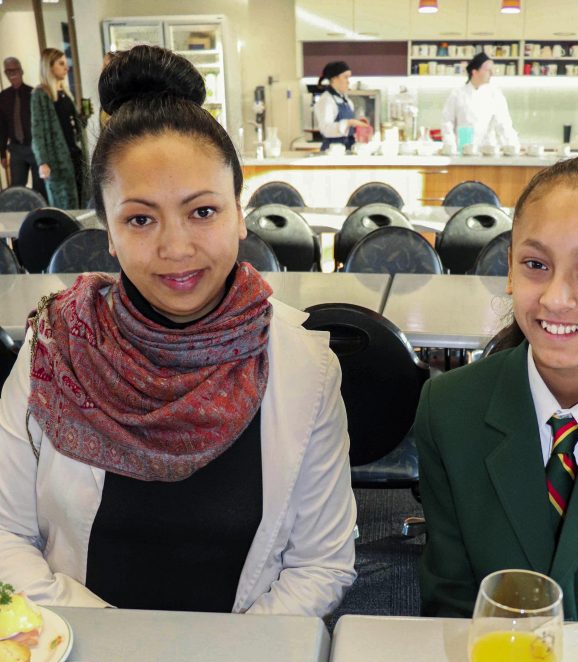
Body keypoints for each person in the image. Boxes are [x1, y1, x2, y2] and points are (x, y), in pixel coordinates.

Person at [0, 44, 356, 616]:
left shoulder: (304, 368)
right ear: (109, 234)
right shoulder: (54, 348)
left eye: (203, 212)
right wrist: (117, 646)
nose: (175, 247)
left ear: (240, 215)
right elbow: (5, 535)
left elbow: (320, 564)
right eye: (140, 219)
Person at [416, 155, 578, 623]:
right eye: (536, 264)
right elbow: (452, 600)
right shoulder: (450, 408)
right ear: (511, 270)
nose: (556, 299)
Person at [30, 47, 90, 208]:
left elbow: (72, 127)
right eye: (61, 63)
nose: (66, 67)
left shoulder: (64, 92)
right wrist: (43, 162)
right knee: (65, 206)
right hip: (58, 161)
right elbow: (38, 132)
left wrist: (82, 118)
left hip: (75, 156)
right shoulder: (40, 95)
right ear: (49, 67)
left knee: (81, 204)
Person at [441, 52, 518, 150]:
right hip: (463, 150)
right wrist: (450, 146)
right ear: (475, 72)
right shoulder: (457, 94)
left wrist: (513, 147)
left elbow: (504, 124)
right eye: (487, 70)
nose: (491, 73)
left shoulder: (495, 94)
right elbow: (447, 122)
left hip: (487, 151)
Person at [0, 56, 46, 196]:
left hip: (34, 148)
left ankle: (40, 215)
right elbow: (2, 127)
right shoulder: (3, 97)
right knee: (17, 189)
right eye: (8, 71)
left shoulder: (34, 94)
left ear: (21, 71)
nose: (12, 74)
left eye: (15, 70)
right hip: (16, 149)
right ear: (5, 74)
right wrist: (2, 153)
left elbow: (42, 124)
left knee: (40, 188)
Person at [314, 60, 368, 152]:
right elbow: (326, 129)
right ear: (334, 79)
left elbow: (348, 127)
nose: (348, 82)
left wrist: (357, 123)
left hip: (347, 149)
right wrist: (349, 122)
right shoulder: (326, 100)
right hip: (332, 152)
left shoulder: (347, 100)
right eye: (345, 77)